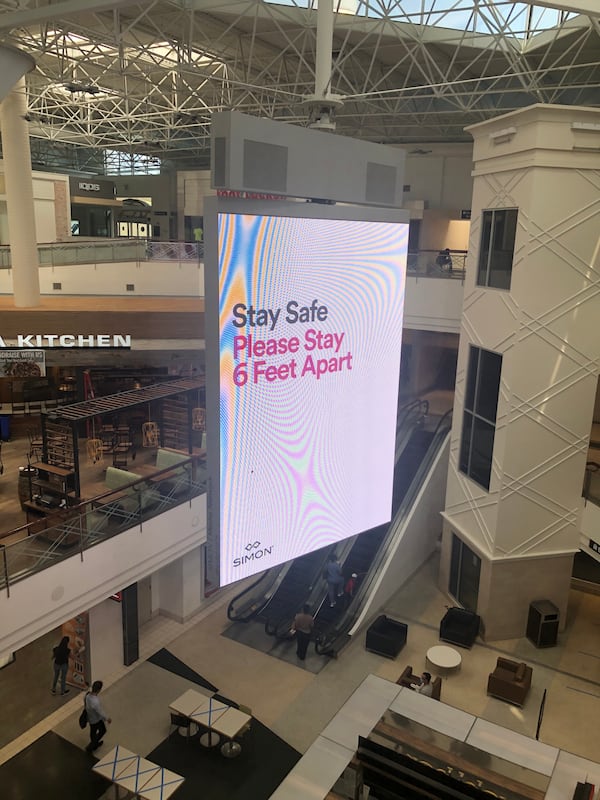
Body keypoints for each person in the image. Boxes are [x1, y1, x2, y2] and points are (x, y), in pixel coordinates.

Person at [85, 680, 112, 753]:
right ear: (99, 690)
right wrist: (107, 718)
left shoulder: (87, 695)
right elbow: (100, 711)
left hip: (90, 717)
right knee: (102, 730)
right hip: (96, 719)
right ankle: (91, 746)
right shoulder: (95, 702)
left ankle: (94, 743)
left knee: (93, 732)